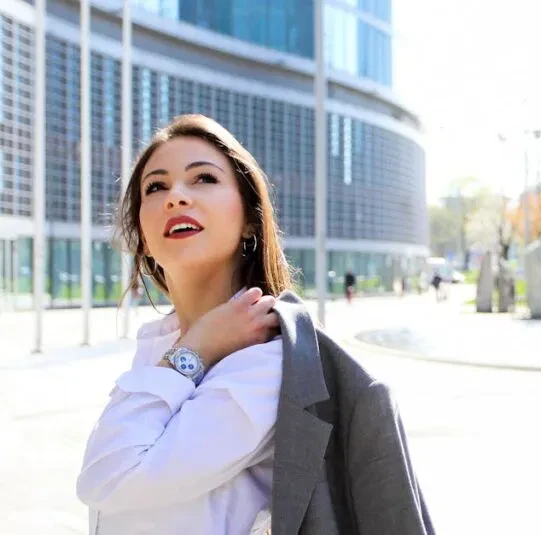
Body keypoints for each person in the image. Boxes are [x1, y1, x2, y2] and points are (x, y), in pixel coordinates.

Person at [77, 115, 432, 535]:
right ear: (142, 234)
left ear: (249, 218)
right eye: (155, 187)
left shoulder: (267, 363)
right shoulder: (159, 347)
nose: (175, 196)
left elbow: (108, 474)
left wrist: (195, 351)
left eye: (203, 179)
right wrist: (192, 346)